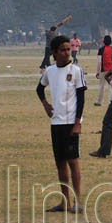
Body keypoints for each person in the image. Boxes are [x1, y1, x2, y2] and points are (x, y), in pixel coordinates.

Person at [36, 35, 86, 212]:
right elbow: (39, 88)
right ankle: (65, 202)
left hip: (71, 123)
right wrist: (45, 104)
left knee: (73, 162)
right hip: (56, 123)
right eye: (63, 50)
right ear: (54, 53)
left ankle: (78, 201)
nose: (67, 53)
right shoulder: (49, 71)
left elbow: (81, 98)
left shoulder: (76, 70)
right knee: (60, 163)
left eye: (68, 49)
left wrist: (78, 123)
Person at [94, 36, 112, 106]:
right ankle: (110, 102)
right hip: (111, 70)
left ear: (103, 42)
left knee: (101, 86)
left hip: (103, 70)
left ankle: (99, 101)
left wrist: (98, 71)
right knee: (110, 86)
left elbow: (99, 62)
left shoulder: (101, 49)